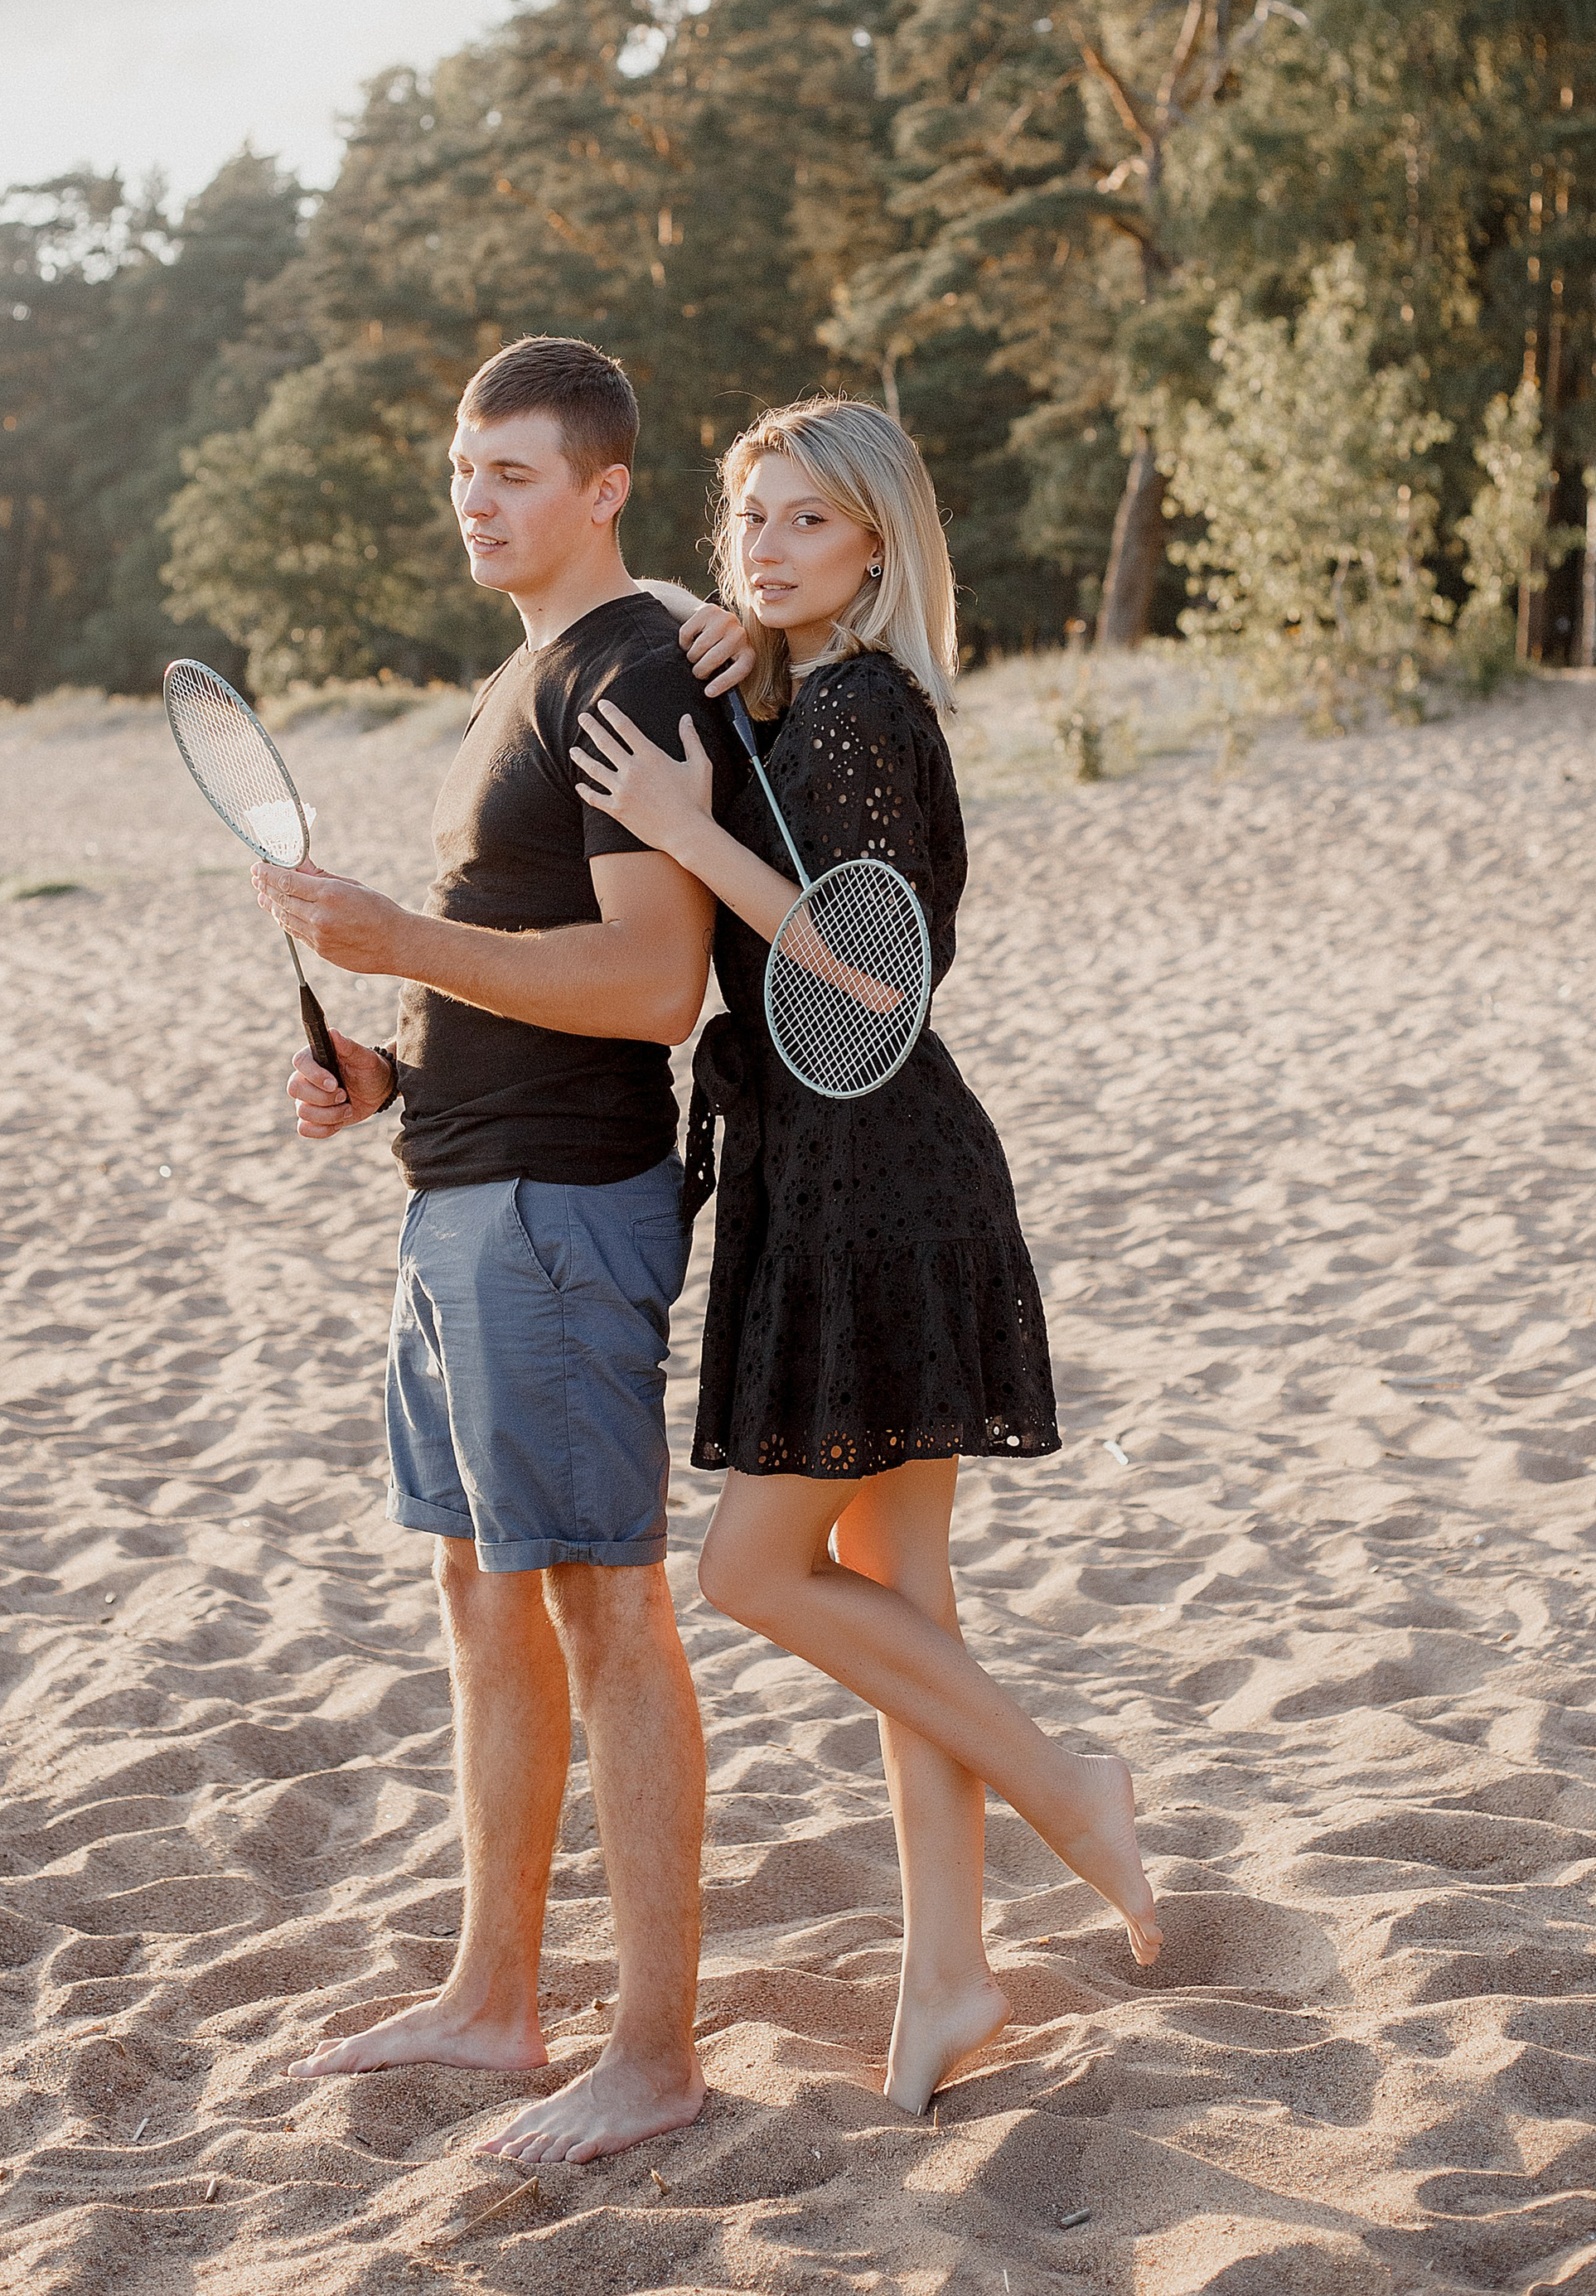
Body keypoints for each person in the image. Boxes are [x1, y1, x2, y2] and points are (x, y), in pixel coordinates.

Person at [568, 395, 1162, 2117]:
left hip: (874, 1182)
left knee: (755, 1575)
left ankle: (1070, 1790)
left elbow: (859, 973)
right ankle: (950, 1969)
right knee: (903, 1604)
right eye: (748, 514)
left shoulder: (855, 709)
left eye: (802, 524)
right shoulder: (803, 697)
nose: (761, 546)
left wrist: (683, 835)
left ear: (877, 550)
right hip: (828, 1172)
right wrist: (723, 641)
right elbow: (785, 795)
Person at [249, 333, 749, 2168]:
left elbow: (647, 985)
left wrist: (394, 933)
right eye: (464, 471)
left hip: (555, 1214)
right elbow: (526, 968)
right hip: (461, 1192)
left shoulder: (623, 669)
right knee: (480, 1600)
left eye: (515, 473)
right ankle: (490, 2000)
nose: (477, 499)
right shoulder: (524, 672)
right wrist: (382, 1072)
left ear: (604, 486)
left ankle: (655, 2051)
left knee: (605, 1608)